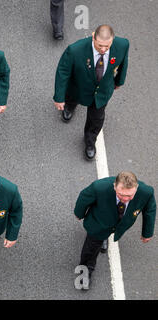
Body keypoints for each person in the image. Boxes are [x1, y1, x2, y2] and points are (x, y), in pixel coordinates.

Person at [53, 25, 129, 160]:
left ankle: (90, 142)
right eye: (100, 45)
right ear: (93, 37)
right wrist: (59, 97)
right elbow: (63, 72)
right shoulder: (75, 50)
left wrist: (119, 81)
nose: (104, 49)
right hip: (79, 87)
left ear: (113, 39)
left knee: (96, 119)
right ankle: (69, 107)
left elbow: (123, 63)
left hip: (102, 92)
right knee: (72, 98)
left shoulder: (123, 45)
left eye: (107, 45)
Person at [74, 172, 156, 289]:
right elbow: (83, 198)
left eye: (129, 195)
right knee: (90, 249)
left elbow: (150, 210)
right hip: (98, 224)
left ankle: (105, 237)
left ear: (136, 188)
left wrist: (147, 232)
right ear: (114, 186)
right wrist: (79, 213)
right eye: (121, 194)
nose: (125, 199)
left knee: (106, 233)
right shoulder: (99, 187)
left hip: (119, 223)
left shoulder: (147, 192)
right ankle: (85, 271)